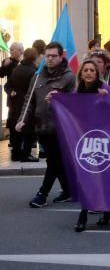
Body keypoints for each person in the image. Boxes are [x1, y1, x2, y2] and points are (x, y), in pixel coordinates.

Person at [17, 42, 77, 208]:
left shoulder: (69, 77)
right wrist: (22, 119)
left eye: (54, 56)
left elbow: (75, 103)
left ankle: (42, 194)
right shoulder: (37, 77)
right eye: (47, 55)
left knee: (53, 161)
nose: (49, 59)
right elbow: (29, 101)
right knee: (56, 160)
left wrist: (61, 97)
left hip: (61, 127)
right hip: (41, 126)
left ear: (61, 57)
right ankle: (68, 190)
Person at [72, 59, 110, 232]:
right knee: (86, 176)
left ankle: (108, 209)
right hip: (85, 139)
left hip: (105, 139)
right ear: (81, 73)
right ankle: (83, 215)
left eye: (92, 70)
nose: (89, 73)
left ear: (97, 74)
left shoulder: (105, 89)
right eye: (86, 70)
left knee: (104, 177)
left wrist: (107, 100)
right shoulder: (77, 92)